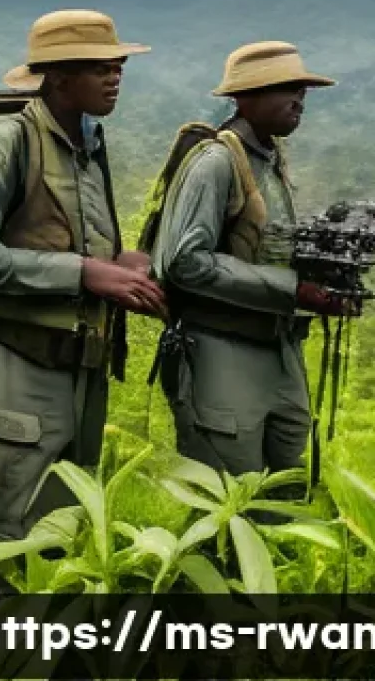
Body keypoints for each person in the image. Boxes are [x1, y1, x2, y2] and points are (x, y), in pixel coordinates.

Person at [0, 9, 167, 595]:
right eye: (101, 68)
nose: (116, 77)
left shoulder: (86, 141)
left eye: (119, 66)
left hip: (77, 362)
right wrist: (85, 273)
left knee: (58, 523)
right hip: (20, 361)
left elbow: (62, 234)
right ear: (59, 76)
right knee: (8, 530)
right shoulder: (8, 139)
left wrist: (119, 263)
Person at [150, 41, 354, 480]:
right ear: (245, 97)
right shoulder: (216, 162)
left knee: (286, 489)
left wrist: (324, 286)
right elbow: (184, 260)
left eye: (302, 88)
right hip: (221, 350)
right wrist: (291, 290)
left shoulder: (272, 159)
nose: (299, 99)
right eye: (285, 88)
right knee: (227, 499)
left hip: (279, 350)